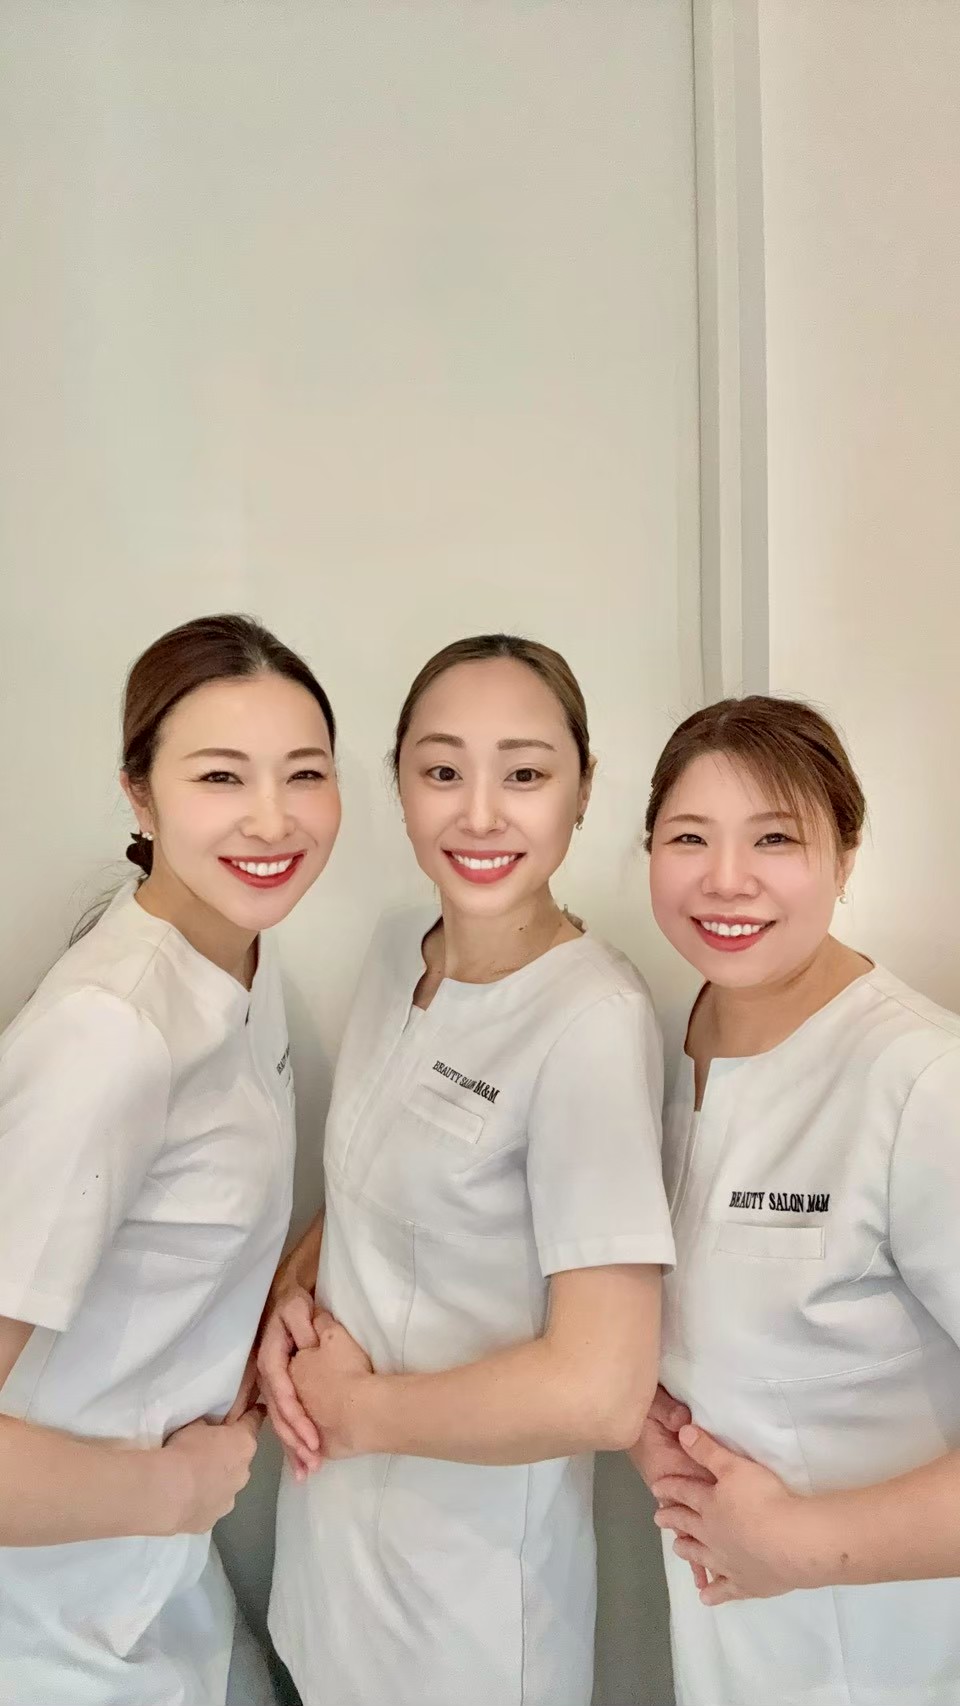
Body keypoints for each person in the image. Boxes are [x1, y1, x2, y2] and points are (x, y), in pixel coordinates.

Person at [261, 632, 674, 1706]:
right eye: (443, 771)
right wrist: (291, 1289)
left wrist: (357, 1412)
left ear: (584, 789)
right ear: (398, 783)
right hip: (330, 1549)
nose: (480, 814)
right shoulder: (398, 946)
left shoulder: (591, 1020)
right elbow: (374, 1178)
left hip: (470, 1612)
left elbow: (601, 1388)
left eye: (525, 775)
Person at [0, 613, 341, 1706]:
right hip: (47, 1630)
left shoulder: (240, 956)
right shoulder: (110, 1033)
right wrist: (174, 1488)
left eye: (304, 773)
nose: (272, 817)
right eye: (220, 776)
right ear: (140, 796)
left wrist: (279, 1294)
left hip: (161, 1586)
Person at [631, 694, 960, 1706]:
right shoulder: (663, 1041)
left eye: (775, 838)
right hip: (729, 1648)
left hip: (895, 1657)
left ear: (845, 856)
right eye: (691, 836)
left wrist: (802, 1543)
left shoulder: (920, 1081)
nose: (727, 878)